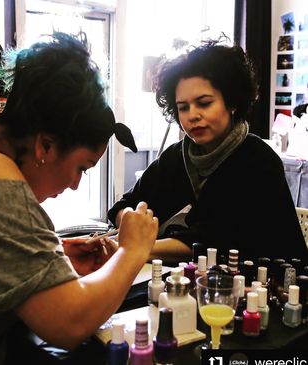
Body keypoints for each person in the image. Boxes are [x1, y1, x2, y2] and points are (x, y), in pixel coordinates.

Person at [0, 32, 158, 364]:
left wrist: (49, 259)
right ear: (45, 145)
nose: (74, 185)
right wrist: (133, 251)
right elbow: (68, 323)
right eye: (81, 168)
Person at [108, 42, 308, 265]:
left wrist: (133, 247)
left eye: (204, 103)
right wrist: (128, 219)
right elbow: (124, 204)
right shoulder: (177, 157)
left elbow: (213, 240)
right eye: (183, 107)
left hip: (271, 286)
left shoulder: (259, 161)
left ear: (231, 102)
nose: (192, 115)